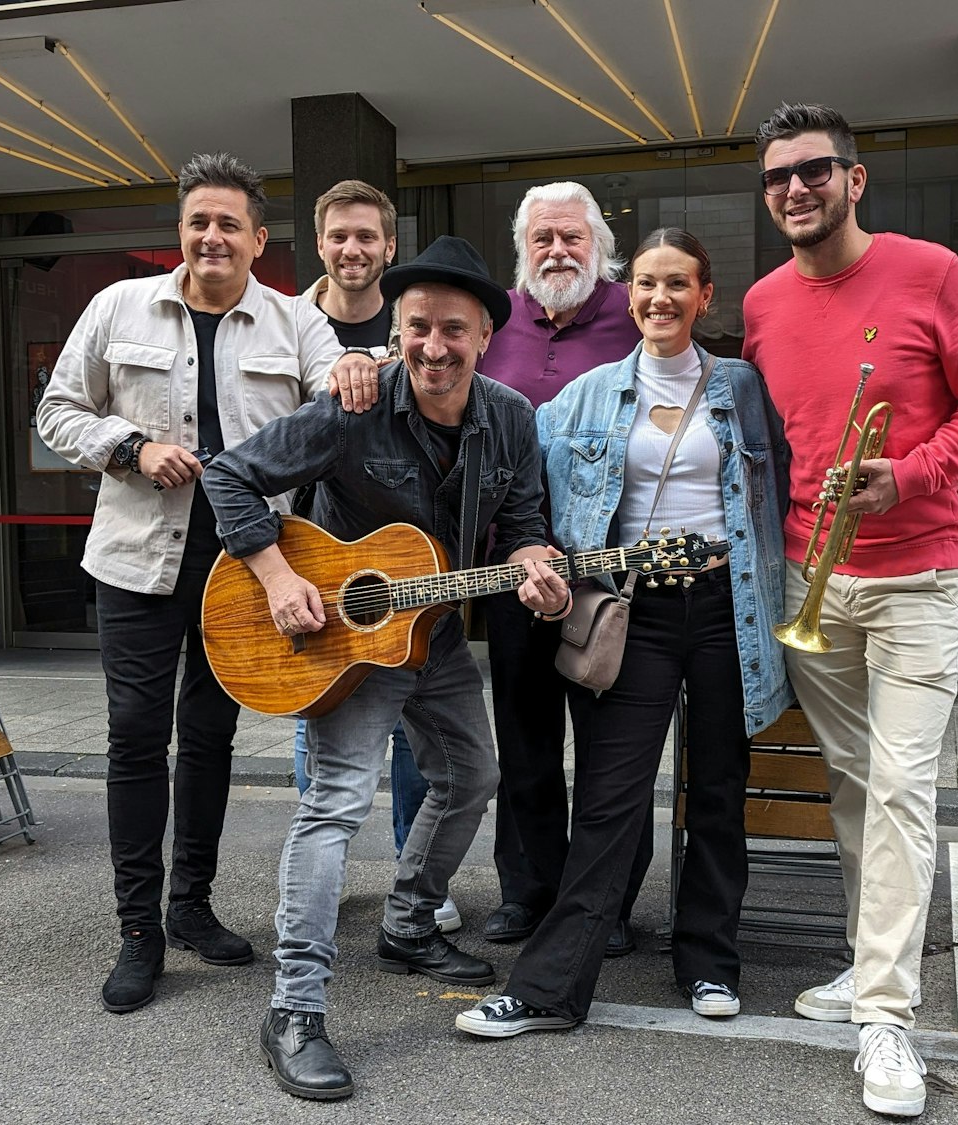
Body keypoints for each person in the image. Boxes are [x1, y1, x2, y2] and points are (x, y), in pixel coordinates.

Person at [203, 236, 569, 1101]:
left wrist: (536, 569)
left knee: (473, 773)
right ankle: (293, 1008)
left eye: (453, 329)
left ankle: (408, 920)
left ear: (484, 336)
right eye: (416, 328)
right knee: (334, 804)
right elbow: (228, 478)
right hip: (340, 634)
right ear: (394, 330)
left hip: (433, 635)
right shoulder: (352, 403)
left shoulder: (511, 417)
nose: (433, 346)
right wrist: (280, 574)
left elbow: (520, 519)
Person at [37, 152, 379, 1016]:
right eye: (199, 221)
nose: (213, 236)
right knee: (135, 737)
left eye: (230, 223)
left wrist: (353, 367)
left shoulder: (294, 325)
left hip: (247, 568)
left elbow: (342, 400)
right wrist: (130, 447)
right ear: (181, 232)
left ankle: (190, 904)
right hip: (136, 562)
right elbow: (55, 411)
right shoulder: (118, 307)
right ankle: (137, 929)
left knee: (213, 735)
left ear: (259, 240)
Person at [743, 103, 958, 1118]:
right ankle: (869, 974)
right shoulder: (764, 302)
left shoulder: (931, 270)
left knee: (902, 785)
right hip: (810, 578)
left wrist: (906, 474)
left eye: (813, 170)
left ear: (853, 179)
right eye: (777, 176)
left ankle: (885, 1020)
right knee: (855, 787)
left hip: (916, 574)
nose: (794, 189)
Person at [454, 228, 792, 1038]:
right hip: (633, 614)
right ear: (627, 292)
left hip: (727, 610)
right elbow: (526, 492)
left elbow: (781, 484)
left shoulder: (742, 385)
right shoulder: (585, 396)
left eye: (678, 284)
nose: (660, 300)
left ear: (706, 296)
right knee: (610, 799)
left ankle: (709, 957)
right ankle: (547, 989)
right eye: (646, 284)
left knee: (716, 788)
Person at [477, 181, 647, 954]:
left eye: (572, 238)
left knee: (613, 747)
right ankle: (528, 889)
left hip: (611, 573)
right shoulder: (497, 321)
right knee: (525, 736)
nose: (558, 251)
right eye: (542, 238)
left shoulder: (633, 315)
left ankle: (604, 902)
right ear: (523, 248)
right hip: (509, 569)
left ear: (599, 245)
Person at [285, 178, 459, 932]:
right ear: (318, 245)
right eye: (337, 237)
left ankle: (410, 872)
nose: (352, 250)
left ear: (390, 246)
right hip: (310, 558)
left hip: (398, 564)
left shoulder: (413, 327)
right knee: (318, 732)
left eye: (367, 237)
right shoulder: (285, 325)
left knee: (418, 741)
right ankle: (322, 871)